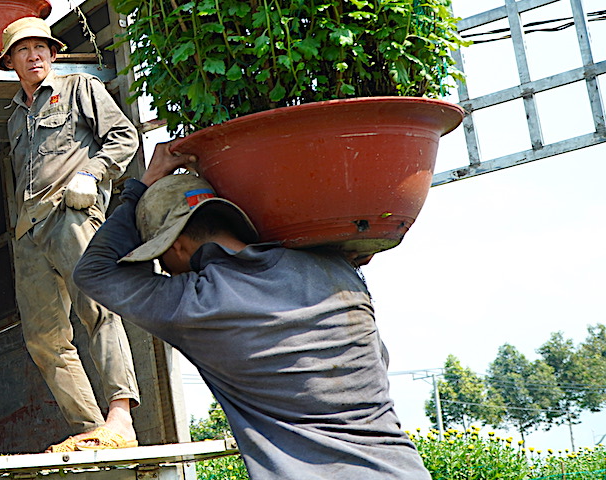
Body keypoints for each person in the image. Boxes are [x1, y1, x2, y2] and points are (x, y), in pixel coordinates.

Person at [73, 141, 431, 480]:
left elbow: (95, 271)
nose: (165, 271)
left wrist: (143, 184)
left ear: (177, 245)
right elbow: (378, 361)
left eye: (161, 259)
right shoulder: (340, 273)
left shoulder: (197, 305)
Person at [0, 17, 142, 452]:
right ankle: (92, 427)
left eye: (42, 47)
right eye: (24, 50)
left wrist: (90, 174)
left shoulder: (80, 88)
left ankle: (121, 418)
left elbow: (123, 137)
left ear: (53, 54)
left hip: (71, 214)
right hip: (29, 228)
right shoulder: (14, 118)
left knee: (98, 310)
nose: (35, 54)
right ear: (10, 62)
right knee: (43, 337)